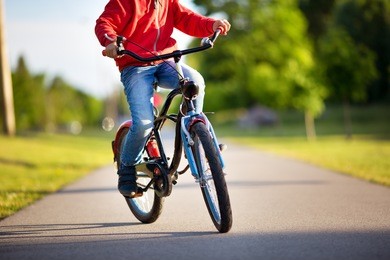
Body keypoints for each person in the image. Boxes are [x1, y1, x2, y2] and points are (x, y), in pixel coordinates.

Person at [95, 0, 231, 198]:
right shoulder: (125, 2)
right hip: (135, 66)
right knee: (143, 124)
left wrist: (211, 25)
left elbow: (187, 18)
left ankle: (197, 139)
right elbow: (104, 23)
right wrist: (111, 41)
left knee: (196, 82)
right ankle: (127, 167)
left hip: (166, 61)